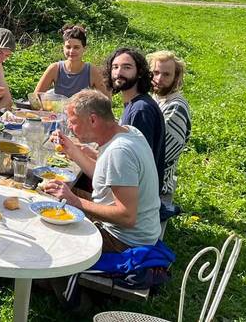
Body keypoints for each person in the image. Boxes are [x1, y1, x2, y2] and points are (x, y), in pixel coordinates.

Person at [46, 90, 162, 252]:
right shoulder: (129, 132)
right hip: (135, 232)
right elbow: (105, 177)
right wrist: (72, 150)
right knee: (49, 196)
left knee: (49, 227)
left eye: (73, 122)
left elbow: (127, 217)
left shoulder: (119, 151)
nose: (70, 127)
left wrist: (74, 200)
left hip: (123, 241)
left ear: (93, 120)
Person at [104, 47, 166, 195]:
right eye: (115, 67)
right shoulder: (133, 104)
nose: (119, 72)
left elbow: (135, 164)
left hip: (137, 198)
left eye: (127, 67)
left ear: (139, 73)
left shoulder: (141, 110)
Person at [147, 51, 192, 207]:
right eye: (155, 73)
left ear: (176, 77)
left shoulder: (175, 107)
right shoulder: (156, 97)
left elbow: (160, 154)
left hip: (156, 181)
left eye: (166, 75)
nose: (159, 79)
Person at [33, 24, 108, 98]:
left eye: (76, 47)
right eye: (68, 47)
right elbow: (36, 97)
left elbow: (106, 101)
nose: (71, 51)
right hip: (58, 109)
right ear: (63, 48)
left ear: (84, 49)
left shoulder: (92, 71)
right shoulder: (54, 69)